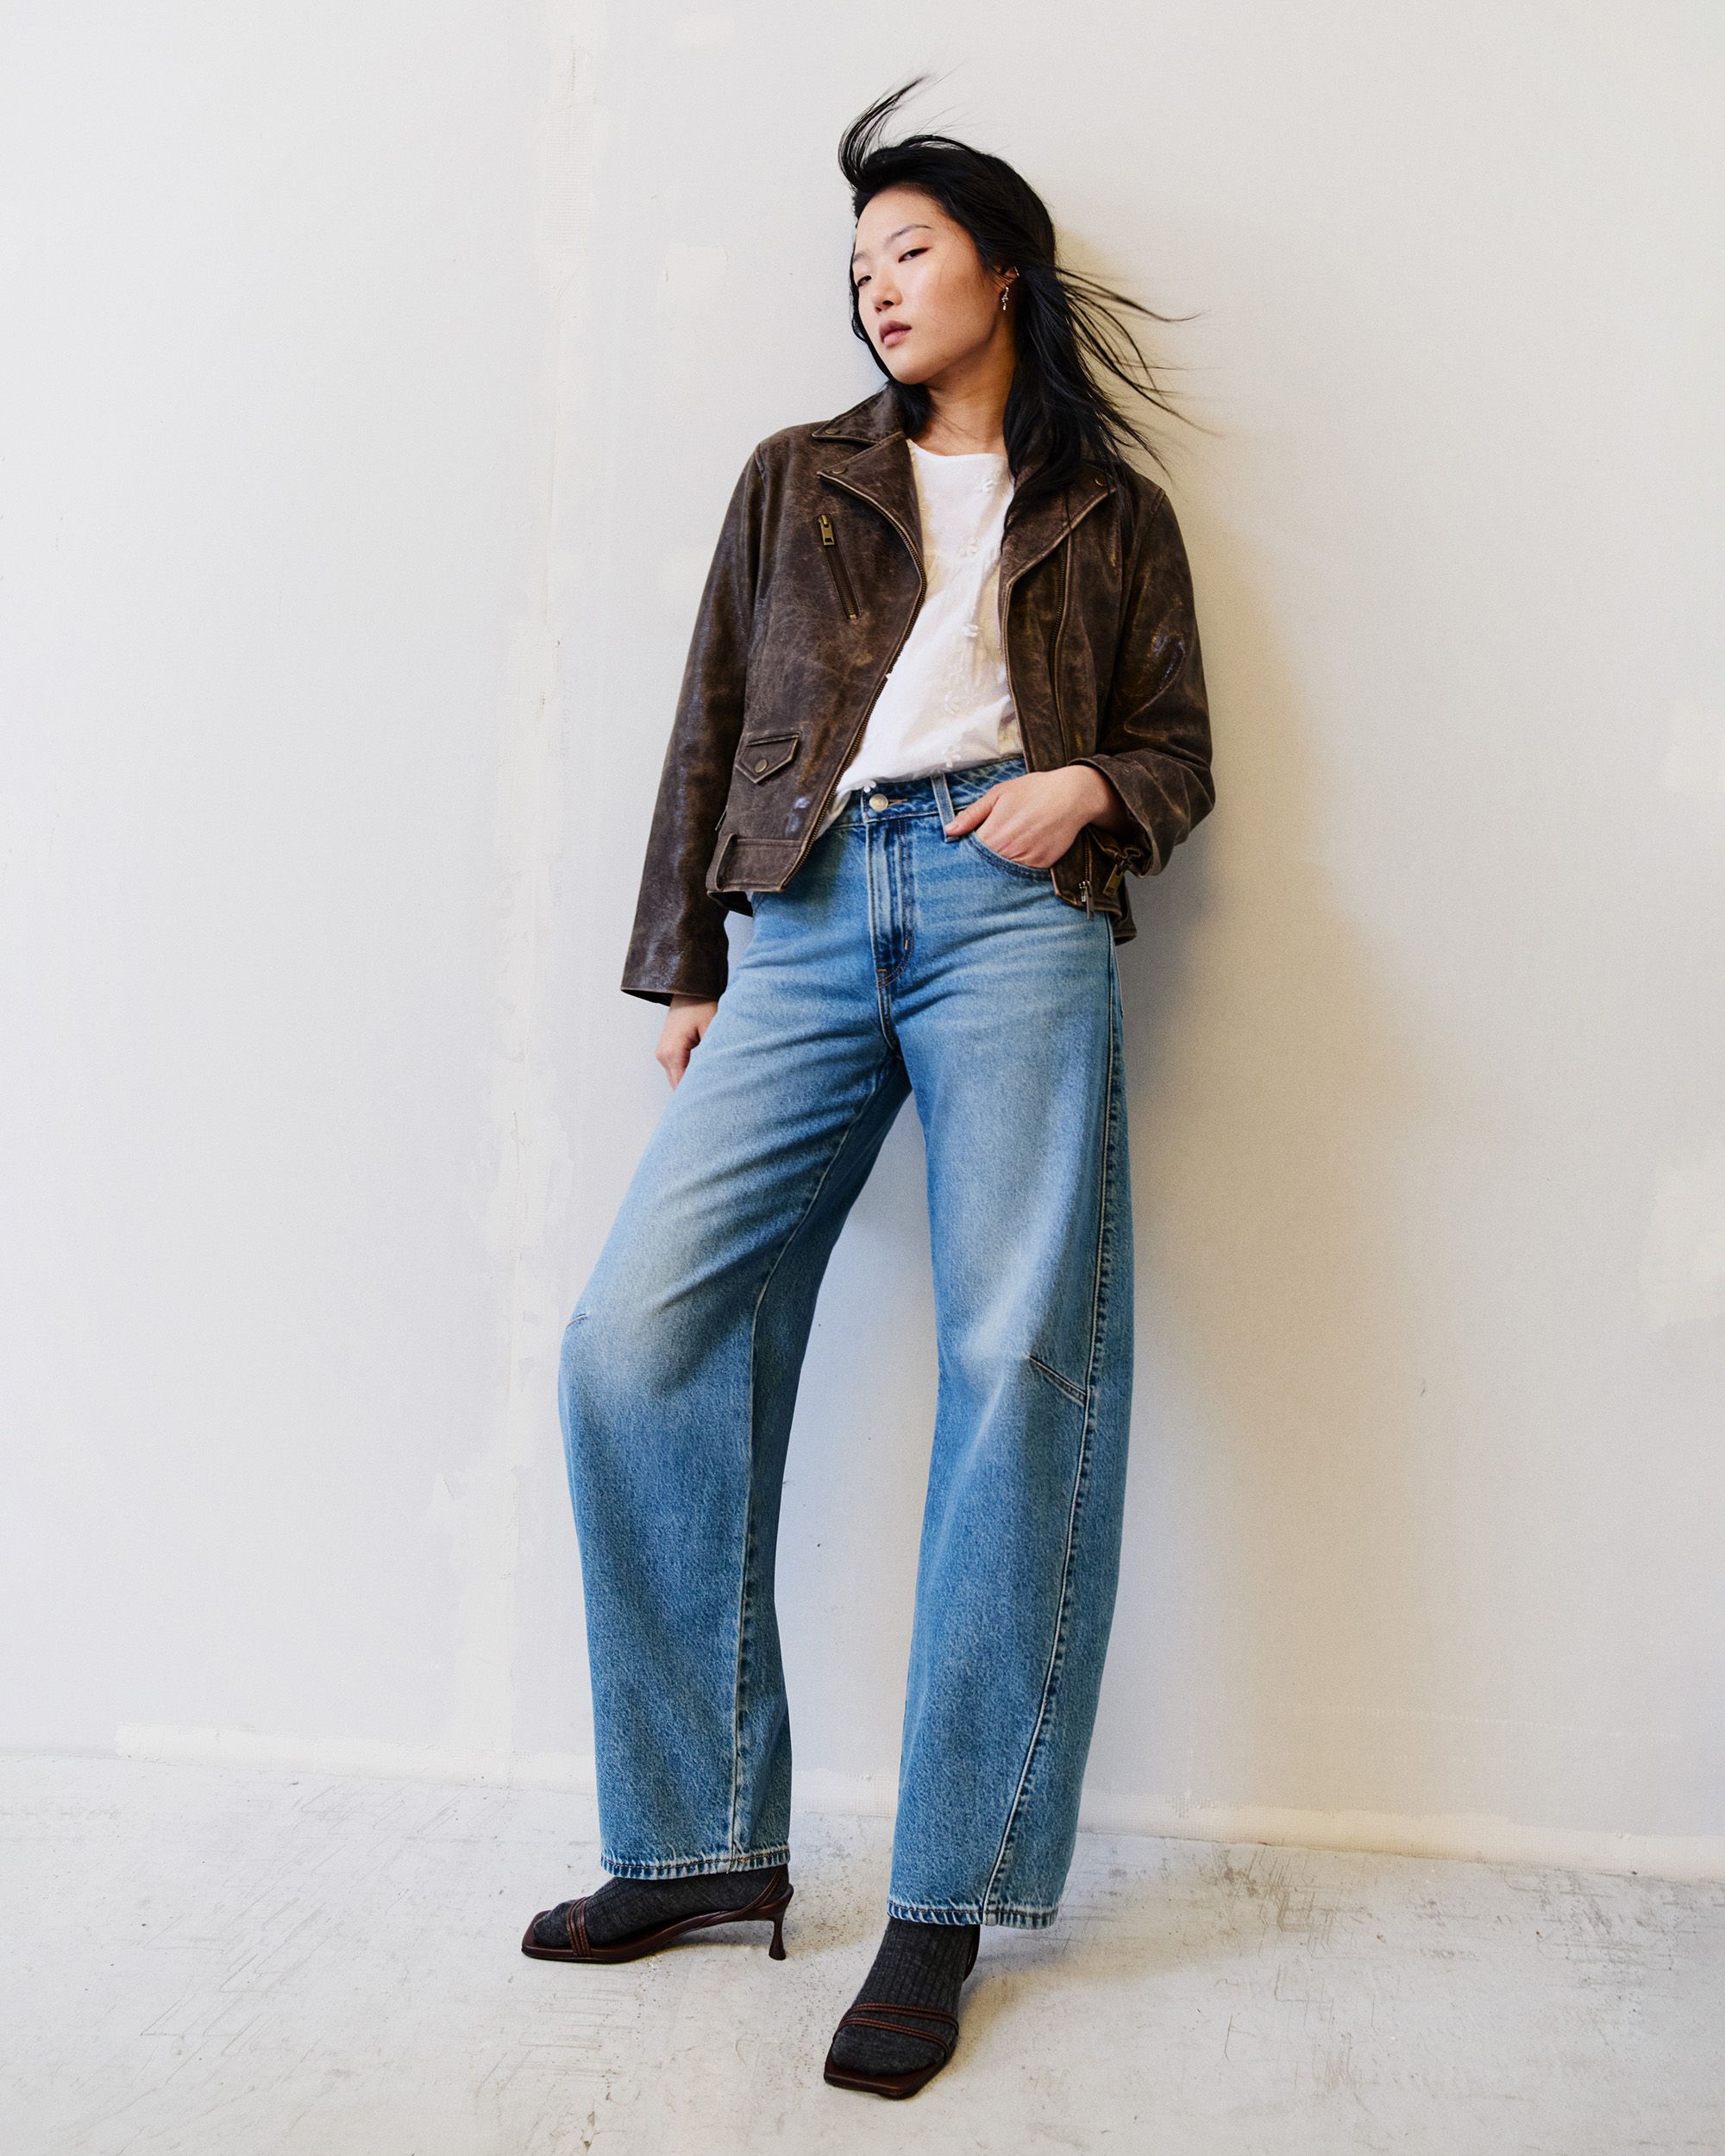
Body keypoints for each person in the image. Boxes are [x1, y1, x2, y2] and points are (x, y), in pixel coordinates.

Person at [521, 78, 1214, 2101]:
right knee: (634, 1338)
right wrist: (689, 959)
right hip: (809, 916)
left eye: (907, 248)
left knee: (1023, 1359)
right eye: (855, 266)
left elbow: (1176, 743)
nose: (875, 286)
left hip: (1014, 913)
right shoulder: (794, 478)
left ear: (1002, 266)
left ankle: (942, 1893)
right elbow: (712, 714)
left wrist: (1089, 784)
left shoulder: (1112, 512)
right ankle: (703, 1839)